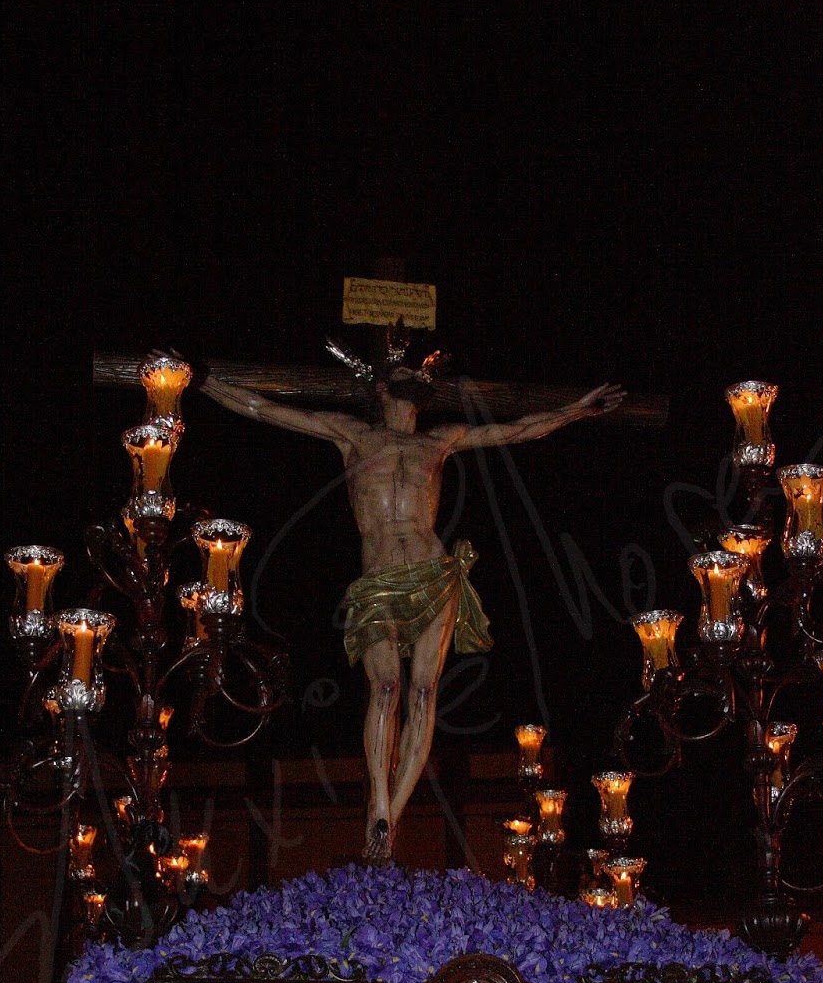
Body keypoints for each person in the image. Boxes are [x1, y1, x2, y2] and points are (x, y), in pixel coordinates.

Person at [202, 359, 623, 859]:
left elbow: (519, 429)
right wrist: (203, 381)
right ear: (380, 391)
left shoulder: (439, 441)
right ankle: (379, 799)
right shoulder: (354, 435)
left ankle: (390, 816)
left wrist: (577, 410)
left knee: (424, 693)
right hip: (378, 579)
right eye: (403, 388)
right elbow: (264, 407)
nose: (412, 398)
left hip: (433, 574)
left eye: (419, 390)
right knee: (385, 688)